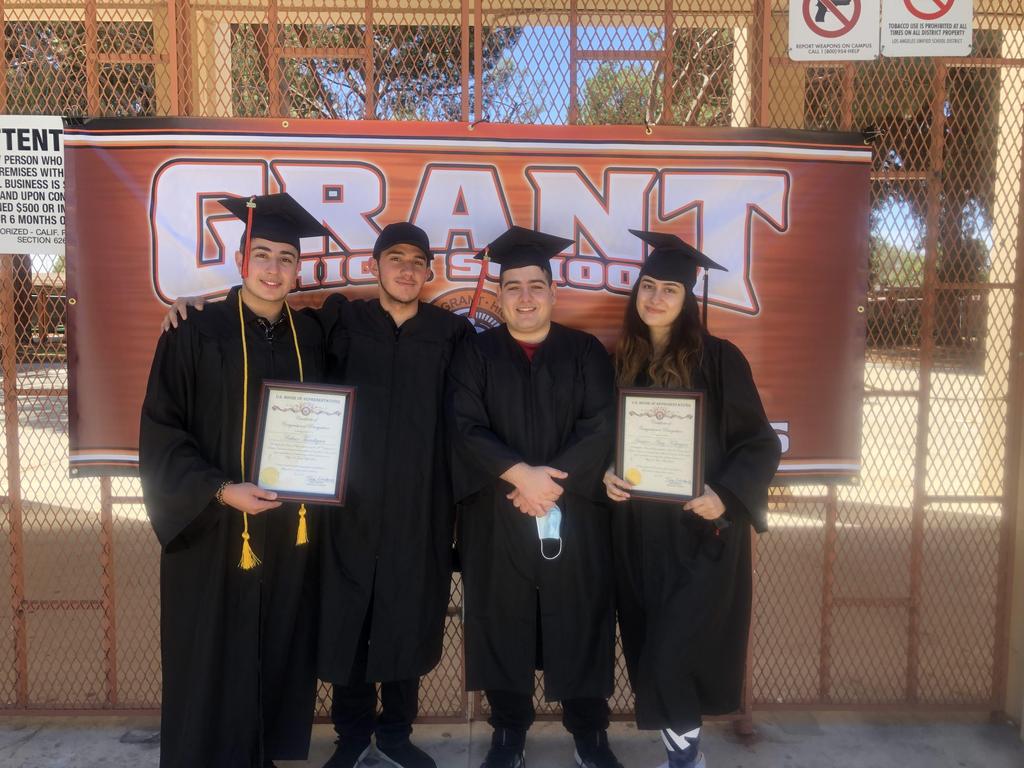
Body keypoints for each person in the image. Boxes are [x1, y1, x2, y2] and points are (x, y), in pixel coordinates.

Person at [164, 221, 473, 768]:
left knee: (405, 613)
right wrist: (196, 306)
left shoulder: (453, 334)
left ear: (430, 272)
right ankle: (352, 735)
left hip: (419, 505)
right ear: (374, 266)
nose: (406, 270)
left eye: (416, 261)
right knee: (351, 615)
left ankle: (396, 733)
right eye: (394, 258)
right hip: (346, 506)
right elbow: (261, 320)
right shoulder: (339, 320)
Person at [140, 192, 329, 768]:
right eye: (262, 254)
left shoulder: (312, 336)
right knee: (210, 654)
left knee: (277, 646)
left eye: (286, 258)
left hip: (286, 529)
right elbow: (162, 433)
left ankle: (263, 755)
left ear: (299, 269)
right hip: (214, 531)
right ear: (241, 258)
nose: (273, 269)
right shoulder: (194, 331)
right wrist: (221, 490)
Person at [602, 229, 781, 768]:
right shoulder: (621, 362)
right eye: (648, 286)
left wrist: (725, 495)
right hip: (637, 535)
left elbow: (760, 443)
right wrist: (606, 473)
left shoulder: (720, 360)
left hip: (701, 532)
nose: (655, 298)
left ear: (688, 300)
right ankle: (683, 755)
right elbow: (603, 440)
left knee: (676, 649)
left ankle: (686, 761)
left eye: (669, 290)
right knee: (651, 645)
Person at [447, 226, 622, 768]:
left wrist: (548, 485)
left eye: (535, 286)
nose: (525, 297)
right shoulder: (475, 353)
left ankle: (590, 733)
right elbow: (463, 425)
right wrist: (521, 476)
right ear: (499, 296)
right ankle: (508, 732)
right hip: (498, 513)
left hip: (574, 514)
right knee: (502, 618)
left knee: (581, 614)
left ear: (553, 292)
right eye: (513, 287)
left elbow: (601, 426)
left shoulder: (585, 352)